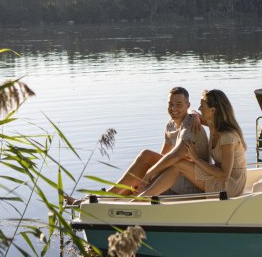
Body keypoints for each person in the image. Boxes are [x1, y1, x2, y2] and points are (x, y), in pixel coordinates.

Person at [65, 86, 208, 205]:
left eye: (178, 105)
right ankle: (105, 200)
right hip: (175, 176)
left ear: (188, 105)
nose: (173, 108)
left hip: (193, 183)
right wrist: (146, 178)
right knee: (142, 170)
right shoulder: (170, 126)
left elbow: (175, 155)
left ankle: (106, 198)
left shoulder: (191, 125)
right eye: (170, 104)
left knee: (147, 158)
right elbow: (162, 157)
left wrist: (148, 175)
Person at [136, 89, 247, 198]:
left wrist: (196, 159)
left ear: (213, 110)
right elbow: (190, 112)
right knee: (176, 163)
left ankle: (142, 198)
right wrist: (194, 115)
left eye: (202, 106)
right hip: (216, 175)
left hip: (230, 185)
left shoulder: (227, 137)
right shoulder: (213, 124)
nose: (199, 108)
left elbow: (224, 175)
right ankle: (142, 193)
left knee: (179, 164)